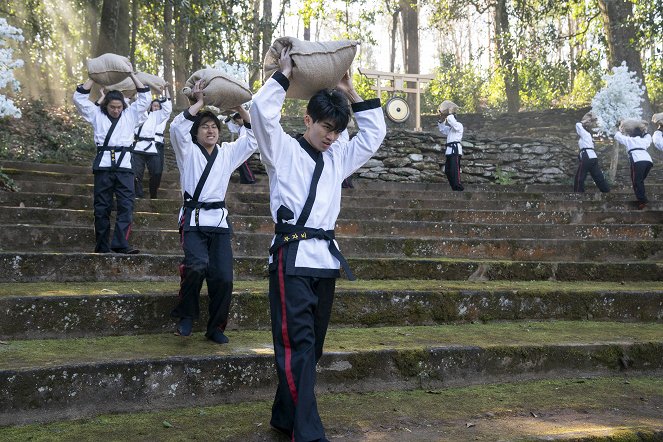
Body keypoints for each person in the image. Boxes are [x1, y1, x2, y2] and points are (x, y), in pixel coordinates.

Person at [249, 47, 386, 442]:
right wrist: (285, 75)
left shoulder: (339, 155)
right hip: (290, 257)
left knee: (313, 349)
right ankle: (307, 433)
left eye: (337, 130)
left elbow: (374, 135)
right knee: (298, 346)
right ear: (307, 119)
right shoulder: (281, 150)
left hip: (323, 261)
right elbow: (261, 112)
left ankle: (283, 417)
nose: (332, 136)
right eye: (326, 127)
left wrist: (352, 92)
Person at [169, 79, 258, 344]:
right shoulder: (186, 151)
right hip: (193, 219)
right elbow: (176, 127)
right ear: (196, 133)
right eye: (205, 127)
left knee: (223, 278)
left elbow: (252, 139)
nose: (210, 130)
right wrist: (199, 104)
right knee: (196, 267)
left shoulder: (228, 153)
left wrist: (241, 108)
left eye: (214, 127)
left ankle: (216, 327)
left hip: (218, 222)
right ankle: (186, 315)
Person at [73, 67, 150, 254]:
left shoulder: (130, 115)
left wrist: (132, 76)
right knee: (101, 208)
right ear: (105, 105)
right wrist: (92, 77)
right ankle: (102, 246)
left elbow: (145, 98)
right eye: (112, 107)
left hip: (124, 167)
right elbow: (79, 98)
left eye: (119, 107)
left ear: (123, 106)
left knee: (126, 206)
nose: (116, 110)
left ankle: (120, 243)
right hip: (104, 167)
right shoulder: (96, 114)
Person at [133, 86, 172, 199]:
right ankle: (138, 195)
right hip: (137, 147)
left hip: (153, 147)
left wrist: (162, 94)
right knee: (136, 174)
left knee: (156, 172)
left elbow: (167, 110)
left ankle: (153, 193)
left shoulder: (156, 116)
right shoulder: (135, 113)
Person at [614, 122, 653, 210]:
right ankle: (642, 198)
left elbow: (617, 136)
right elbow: (649, 136)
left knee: (636, 181)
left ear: (631, 134)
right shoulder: (644, 140)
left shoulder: (629, 140)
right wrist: (645, 130)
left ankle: (642, 200)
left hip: (637, 160)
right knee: (640, 181)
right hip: (648, 161)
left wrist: (620, 129)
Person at [573, 113, 610, 193]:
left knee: (580, 176)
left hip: (587, 156)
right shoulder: (588, 135)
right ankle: (606, 191)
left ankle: (578, 194)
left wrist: (585, 120)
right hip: (593, 157)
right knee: (598, 176)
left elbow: (578, 124)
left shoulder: (585, 134)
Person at [438, 101, 464, 191]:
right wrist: (441, 120)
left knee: (455, 169)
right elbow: (442, 129)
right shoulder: (450, 129)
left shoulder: (459, 126)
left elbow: (452, 122)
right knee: (448, 170)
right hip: (450, 151)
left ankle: (458, 186)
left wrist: (449, 113)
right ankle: (454, 186)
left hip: (455, 150)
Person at [225, 112, 257, 184]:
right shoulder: (241, 127)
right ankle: (245, 180)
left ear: (242, 118)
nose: (237, 123)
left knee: (244, 162)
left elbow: (245, 139)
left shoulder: (247, 126)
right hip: (243, 148)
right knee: (240, 163)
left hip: (249, 147)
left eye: (237, 121)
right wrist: (227, 120)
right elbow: (233, 128)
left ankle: (251, 179)